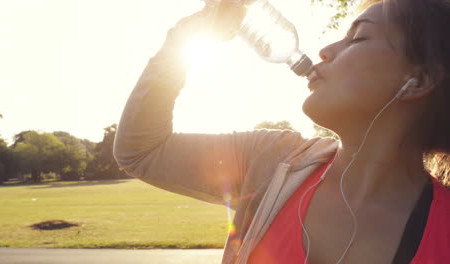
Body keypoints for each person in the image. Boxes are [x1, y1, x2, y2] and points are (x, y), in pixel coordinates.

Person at [113, 0, 449, 263]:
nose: (325, 50)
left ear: (418, 80)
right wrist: (184, 39)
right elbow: (143, 150)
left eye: (357, 37)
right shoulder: (271, 158)